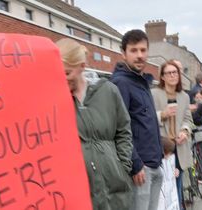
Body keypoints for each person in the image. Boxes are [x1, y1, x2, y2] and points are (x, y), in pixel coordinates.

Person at [56, 38, 133, 210]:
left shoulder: (108, 91)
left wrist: (123, 167)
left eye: (67, 73)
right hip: (81, 191)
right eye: (58, 73)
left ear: (82, 67)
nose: (63, 78)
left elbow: (123, 130)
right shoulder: (57, 100)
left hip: (115, 185)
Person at [110, 29, 163, 210]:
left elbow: (144, 122)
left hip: (154, 163)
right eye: (134, 50)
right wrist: (135, 164)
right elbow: (118, 128)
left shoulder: (142, 82)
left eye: (143, 50)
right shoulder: (121, 83)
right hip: (140, 169)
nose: (139, 55)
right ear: (123, 54)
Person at [151, 60, 193, 209]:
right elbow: (147, 118)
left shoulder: (184, 96)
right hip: (162, 149)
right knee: (163, 191)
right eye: (168, 73)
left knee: (177, 188)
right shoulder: (154, 94)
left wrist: (184, 131)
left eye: (175, 72)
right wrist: (162, 114)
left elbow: (188, 118)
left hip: (179, 148)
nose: (172, 75)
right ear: (162, 76)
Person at [157, 136, 180, 210]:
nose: (170, 155)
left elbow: (172, 167)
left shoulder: (168, 160)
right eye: (169, 153)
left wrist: (175, 170)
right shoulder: (156, 162)